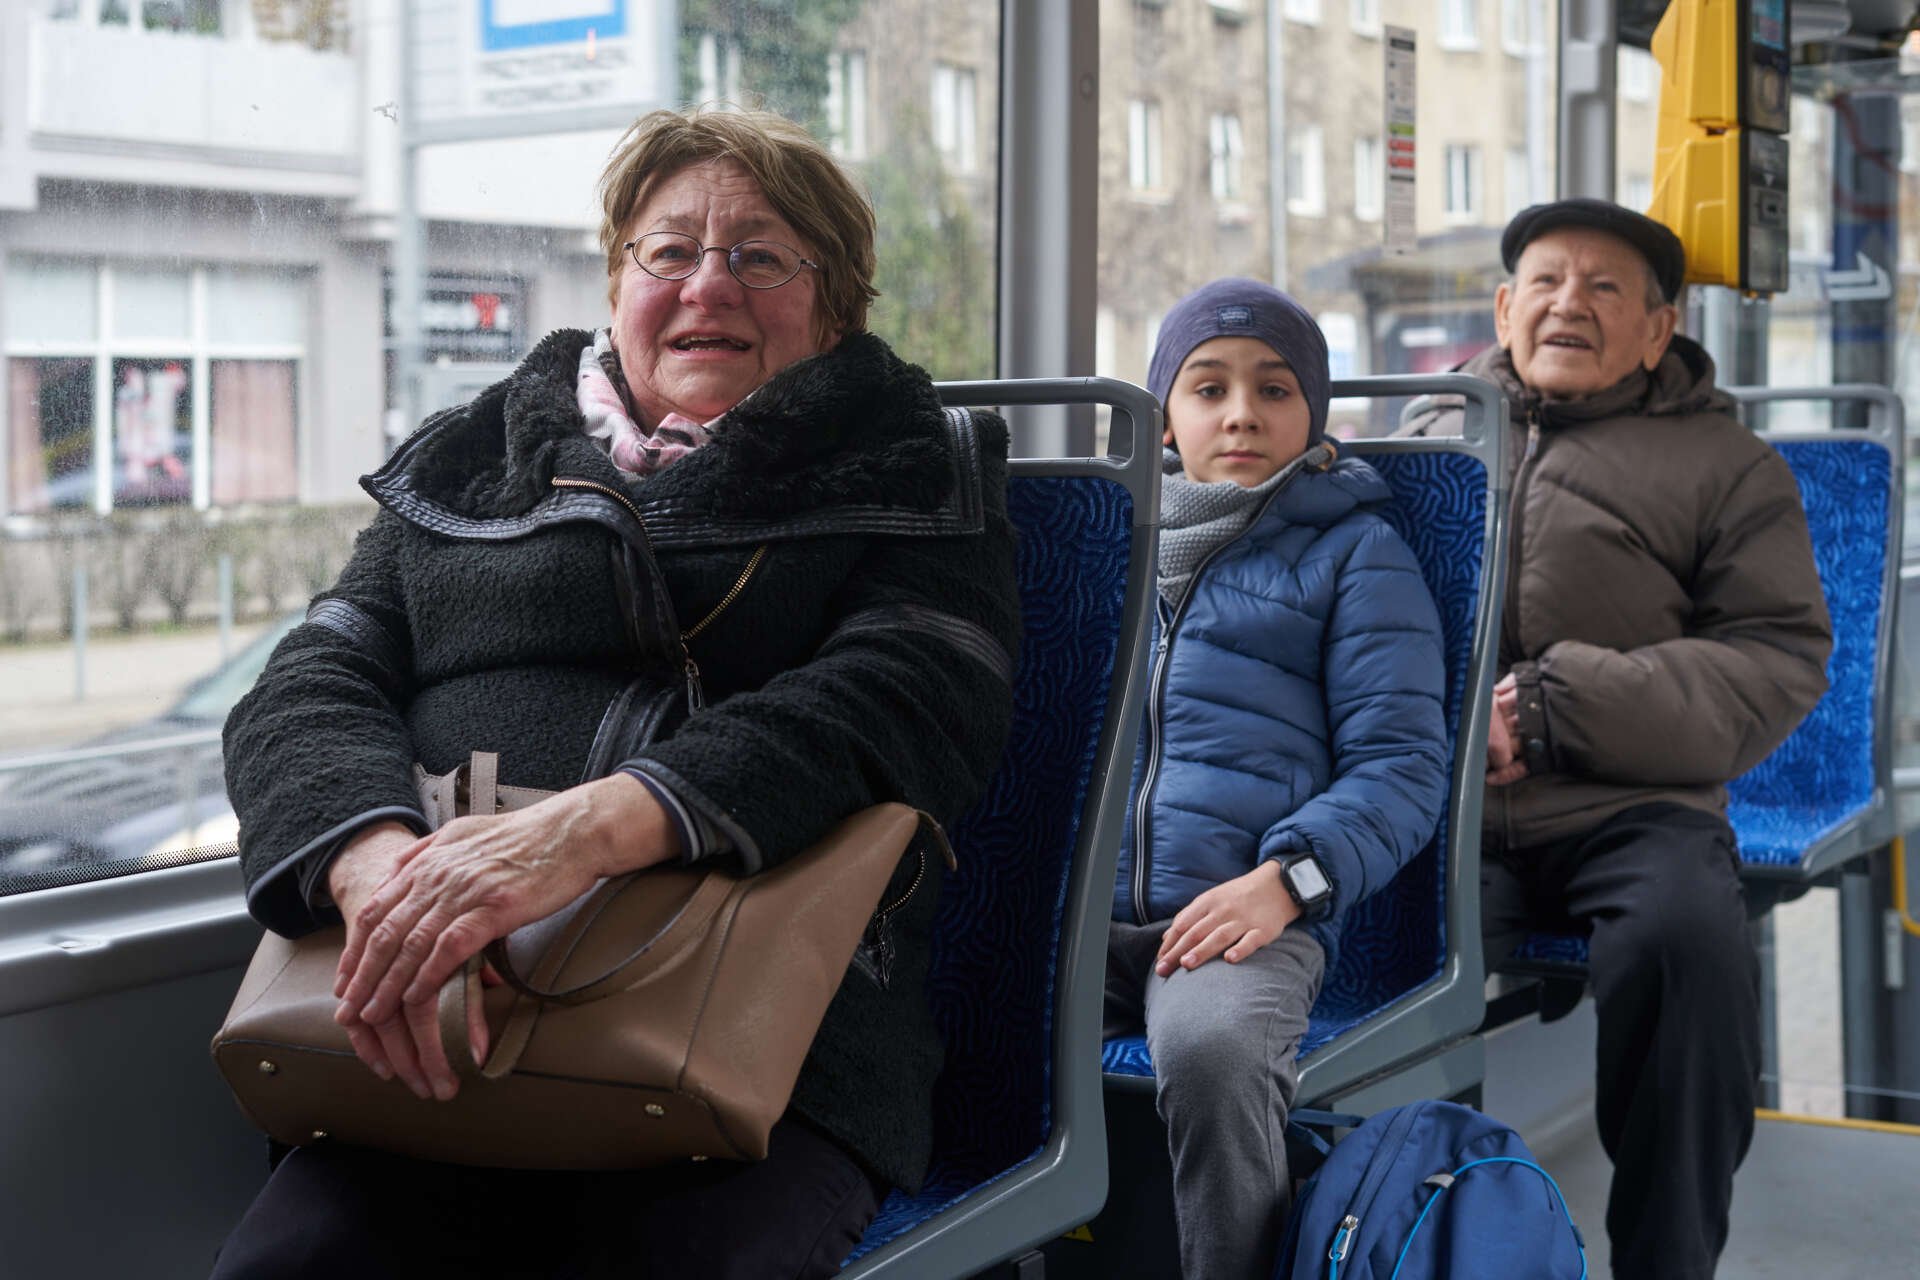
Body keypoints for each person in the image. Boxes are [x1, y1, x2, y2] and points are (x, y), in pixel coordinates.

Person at [211, 107, 1021, 1280]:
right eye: (670, 251)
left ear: (834, 303)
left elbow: (909, 695)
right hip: (439, 1013)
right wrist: (381, 869)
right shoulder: (468, 460)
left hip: (756, 1034)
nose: (709, 286)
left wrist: (579, 834)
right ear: (615, 278)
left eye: (759, 255)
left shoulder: (914, 463)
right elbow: (310, 679)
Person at [1402, 199, 1833, 1279]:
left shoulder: (1728, 466)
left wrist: (1548, 709)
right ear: (1503, 309)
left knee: (1686, 948)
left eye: (1606, 289)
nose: (1570, 305)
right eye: (1547, 281)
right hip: (1440, 808)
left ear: (1659, 328)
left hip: (1632, 804)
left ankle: (1667, 1258)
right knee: (1354, 951)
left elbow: (1774, 659)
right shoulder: (1421, 440)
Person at [1105, 279, 1450, 1280]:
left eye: (1276, 387)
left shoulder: (1355, 553)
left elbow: (1402, 765)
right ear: (1164, 415)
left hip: (1241, 916)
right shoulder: (1105, 548)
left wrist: (1289, 881)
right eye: (1207, 387)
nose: (1242, 411)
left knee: (1213, 1054)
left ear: (1316, 417)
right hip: (1078, 923)